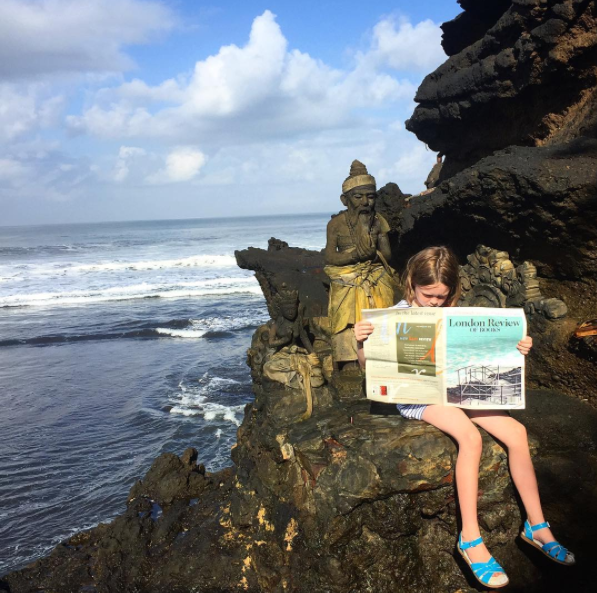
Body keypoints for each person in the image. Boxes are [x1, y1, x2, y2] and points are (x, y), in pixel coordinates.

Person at [354, 246, 574, 589]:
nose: (435, 303)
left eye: (442, 297)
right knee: (469, 437)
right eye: (428, 296)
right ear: (411, 283)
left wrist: (516, 347)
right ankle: (470, 540)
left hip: (459, 388)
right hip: (419, 396)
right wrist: (361, 345)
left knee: (516, 432)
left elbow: (486, 353)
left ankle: (537, 526)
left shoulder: (453, 313)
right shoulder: (394, 315)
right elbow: (369, 367)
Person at [324, 160, 395, 366]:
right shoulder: (336, 224)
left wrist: (373, 254)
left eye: (370, 196)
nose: (365, 202)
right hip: (348, 278)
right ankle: (348, 360)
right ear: (345, 200)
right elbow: (329, 257)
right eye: (358, 196)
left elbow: (387, 254)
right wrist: (355, 255)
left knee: (383, 315)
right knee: (344, 319)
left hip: (374, 274)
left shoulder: (378, 221)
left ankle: (382, 355)